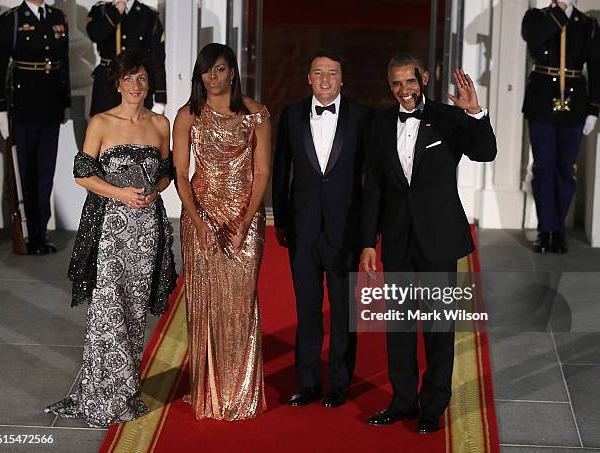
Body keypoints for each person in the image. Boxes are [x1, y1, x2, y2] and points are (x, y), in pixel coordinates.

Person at [360, 54, 497, 433]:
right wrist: (369, 241)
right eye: (396, 84)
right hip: (398, 240)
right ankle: (402, 401)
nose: (404, 90)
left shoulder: (448, 118)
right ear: (390, 87)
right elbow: (373, 186)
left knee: (439, 328)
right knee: (399, 327)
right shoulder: (381, 123)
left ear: (422, 80)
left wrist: (474, 113)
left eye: (410, 81)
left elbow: (485, 152)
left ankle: (433, 405)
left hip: (437, 237)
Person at [44, 51, 177, 427]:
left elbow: (166, 172)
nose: (136, 86)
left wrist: (154, 190)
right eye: (129, 79)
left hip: (147, 230)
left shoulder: (160, 124)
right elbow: (81, 174)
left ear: (149, 84)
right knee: (106, 311)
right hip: (110, 230)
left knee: (134, 313)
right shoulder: (101, 123)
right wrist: (119, 194)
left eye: (142, 79)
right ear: (117, 84)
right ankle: (99, 395)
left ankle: (125, 392)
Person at [173, 43, 271, 420]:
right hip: (201, 217)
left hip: (244, 217)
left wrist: (246, 221)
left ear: (232, 72)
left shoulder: (258, 114)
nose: (211, 78)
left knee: (241, 305)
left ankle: (240, 391)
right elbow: (181, 174)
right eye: (205, 71)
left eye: (218, 70)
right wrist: (197, 222)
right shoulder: (188, 116)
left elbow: (262, 173)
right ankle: (208, 391)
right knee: (205, 306)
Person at [272, 49, 371, 408]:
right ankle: (309, 382)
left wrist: (367, 234)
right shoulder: (292, 114)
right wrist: (281, 220)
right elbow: (281, 168)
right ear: (308, 78)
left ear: (342, 79)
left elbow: (370, 180)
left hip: (345, 231)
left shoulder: (362, 116)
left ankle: (340, 385)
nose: (325, 79)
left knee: (344, 311)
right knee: (307, 310)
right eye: (318, 73)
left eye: (332, 73)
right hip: (303, 229)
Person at [0, 0, 70, 254]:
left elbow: (63, 63)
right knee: (25, 172)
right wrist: (0, 110)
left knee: (45, 172)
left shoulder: (57, 17)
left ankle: (40, 233)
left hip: (51, 106)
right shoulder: (12, 19)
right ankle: (24, 232)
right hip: (23, 107)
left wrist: (65, 101)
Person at [522, 0, 600, 253]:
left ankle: (559, 230)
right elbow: (534, 38)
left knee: (565, 170)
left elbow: (597, 69)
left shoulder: (588, 25)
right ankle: (545, 230)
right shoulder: (536, 17)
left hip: (575, 104)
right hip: (542, 102)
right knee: (544, 169)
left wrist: (593, 110)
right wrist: (560, 12)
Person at [86, 0, 166, 116]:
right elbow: (95, 34)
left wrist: (160, 98)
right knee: (105, 130)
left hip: (136, 86)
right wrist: (116, 12)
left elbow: (157, 58)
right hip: (107, 85)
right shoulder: (101, 10)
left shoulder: (148, 15)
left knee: (136, 131)